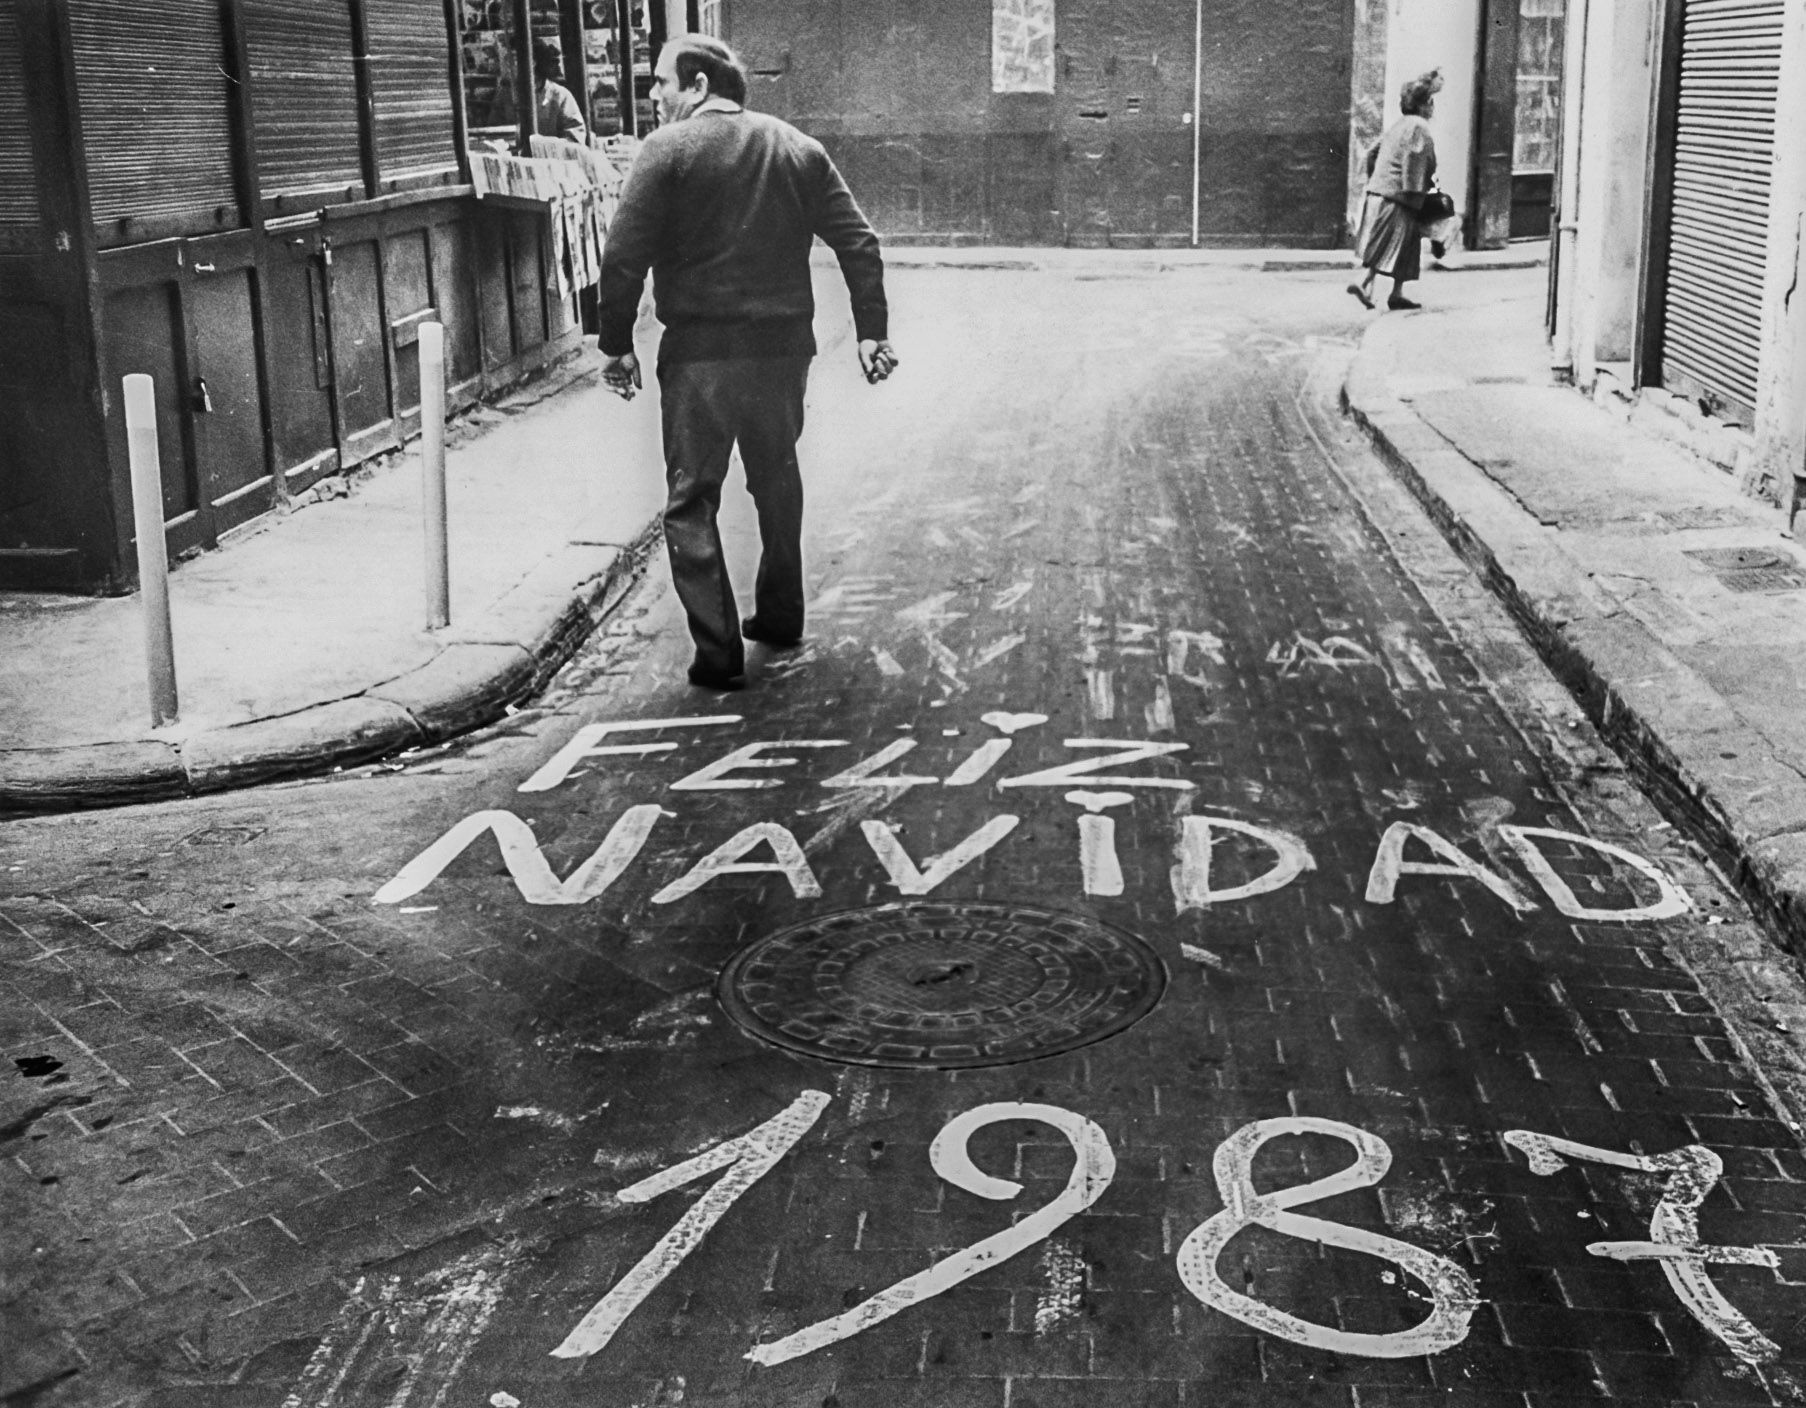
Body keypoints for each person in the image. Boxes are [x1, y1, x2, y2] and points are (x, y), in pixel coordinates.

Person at [594, 35, 897, 691]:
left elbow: (623, 258)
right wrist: (872, 331)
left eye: (660, 82)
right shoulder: (797, 148)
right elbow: (859, 242)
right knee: (776, 475)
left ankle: (718, 650)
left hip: (702, 355)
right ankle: (782, 614)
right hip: (783, 350)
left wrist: (614, 342)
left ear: (698, 86)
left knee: (691, 499)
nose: (654, 95)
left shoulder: (666, 151)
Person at [1349, 69, 1444, 312]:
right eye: (1430, 103)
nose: (1433, 108)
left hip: (1381, 193)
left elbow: (1372, 154)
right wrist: (1415, 195)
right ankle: (1363, 282)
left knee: (1407, 246)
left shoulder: (1398, 125)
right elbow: (1414, 161)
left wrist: (1377, 182)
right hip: (1398, 198)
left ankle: (1397, 294)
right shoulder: (1419, 126)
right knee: (1389, 245)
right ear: (1423, 105)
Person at [492, 38, 588, 143]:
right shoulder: (504, 95)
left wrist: (542, 146)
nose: (507, 65)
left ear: (532, 62)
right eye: (505, 59)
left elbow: (575, 138)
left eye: (512, 59)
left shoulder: (560, 95)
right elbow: (494, 131)